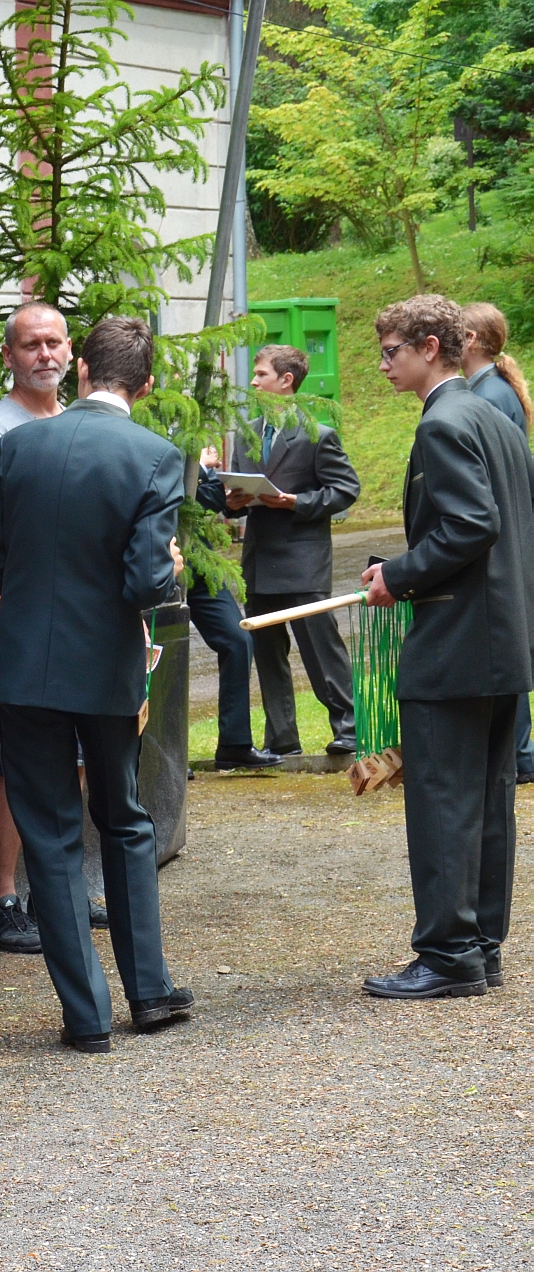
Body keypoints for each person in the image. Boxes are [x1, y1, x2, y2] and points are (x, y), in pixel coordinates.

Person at [0, 316, 193, 1053]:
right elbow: (145, 581)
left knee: (50, 837)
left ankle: (87, 1015)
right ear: (147, 385)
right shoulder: (156, 455)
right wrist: (170, 565)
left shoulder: (18, 446)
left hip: (24, 669)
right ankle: (150, 991)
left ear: (81, 371)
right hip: (105, 667)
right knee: (125, 820)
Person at [360, 295, 534, 1000]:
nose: (383, 366)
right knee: (487, 802)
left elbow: (471, 526)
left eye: (391, 352)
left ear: (430, 347)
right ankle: (480, 948)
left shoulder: (444, 421)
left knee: (441, 802)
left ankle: (449, 955)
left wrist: (399, 576)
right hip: (502, 642)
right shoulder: (496, 419)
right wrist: (401, 569)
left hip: (457, 645)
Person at [0, 302, 72, 958]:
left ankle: (55, 889)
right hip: (19, 622)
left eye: (54, 342)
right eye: (31, 345)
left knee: (69, 758)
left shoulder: (71, 419)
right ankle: (1, 901)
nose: (44, 355)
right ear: (9, 356)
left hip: (71, 622)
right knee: (16, 761)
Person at [214, 345, 360, 758]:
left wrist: (297, 503)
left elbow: (345, 490)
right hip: (259, 560)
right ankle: (282, 737)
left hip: (302, 560)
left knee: (320, 648)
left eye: (261, 374)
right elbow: (236, 495)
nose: (253, 381)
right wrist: (232, 503)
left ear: (286, 380)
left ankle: (349, 728)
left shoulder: (317, 435)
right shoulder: (247, 434)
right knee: (267, 653)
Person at [458, 302, 534, 785]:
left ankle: (518, 754)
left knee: (506, 648)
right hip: (506, 537)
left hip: (500, 542)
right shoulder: (488, 390)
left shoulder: (489, 395)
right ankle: (519, 753)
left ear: (469, 339)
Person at [187, 445, 278, 771]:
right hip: (160, 557)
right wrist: (199, 466)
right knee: (161, 653)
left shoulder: (186, 437)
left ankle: (234, 744)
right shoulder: (150, 428)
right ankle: (162, 753)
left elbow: (212, 497)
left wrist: (199, 471)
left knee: (238, 640)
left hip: (200, 562)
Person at [459, 302, 531, 432]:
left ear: (471, 339)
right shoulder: (496, 384)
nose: (448, 345)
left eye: (454, 337)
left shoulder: (487, 398)